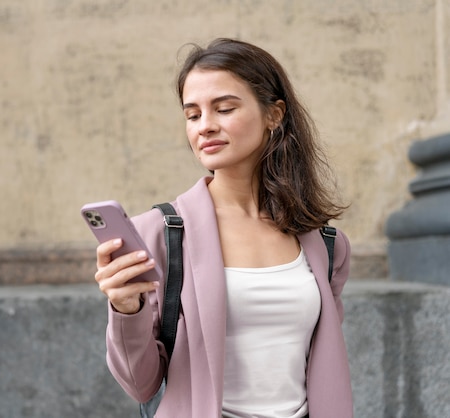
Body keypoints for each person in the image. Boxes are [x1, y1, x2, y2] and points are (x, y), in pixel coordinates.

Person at [94, 38, 353, 418]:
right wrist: (124, 308)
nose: (206, 126)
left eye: (224, 108)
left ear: (274, 114)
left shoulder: (327, 245)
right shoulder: (159, 234)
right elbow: (141, 383)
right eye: (193, 114)